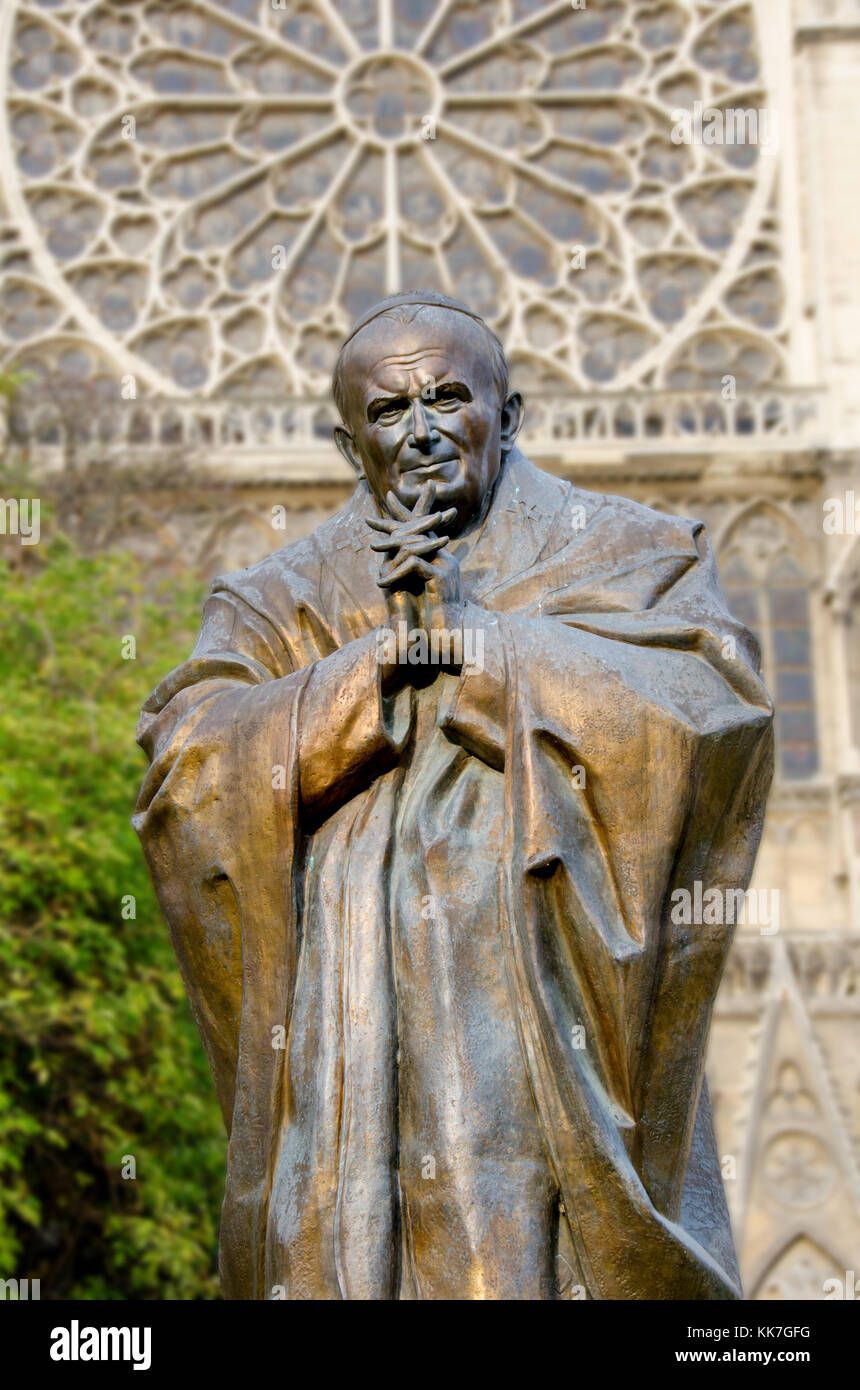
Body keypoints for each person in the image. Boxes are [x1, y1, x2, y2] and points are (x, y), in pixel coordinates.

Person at [134, 290, 773, 1299]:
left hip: (546, 1002)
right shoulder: (276, 595)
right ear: (350, 446)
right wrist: (371, 671)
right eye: (389, 413)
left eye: (449, 398)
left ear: (508, 415)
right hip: (349, 1019)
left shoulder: (632, 549)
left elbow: (714, 714)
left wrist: (477, 646)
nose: (423, 431)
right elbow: (184, 771)